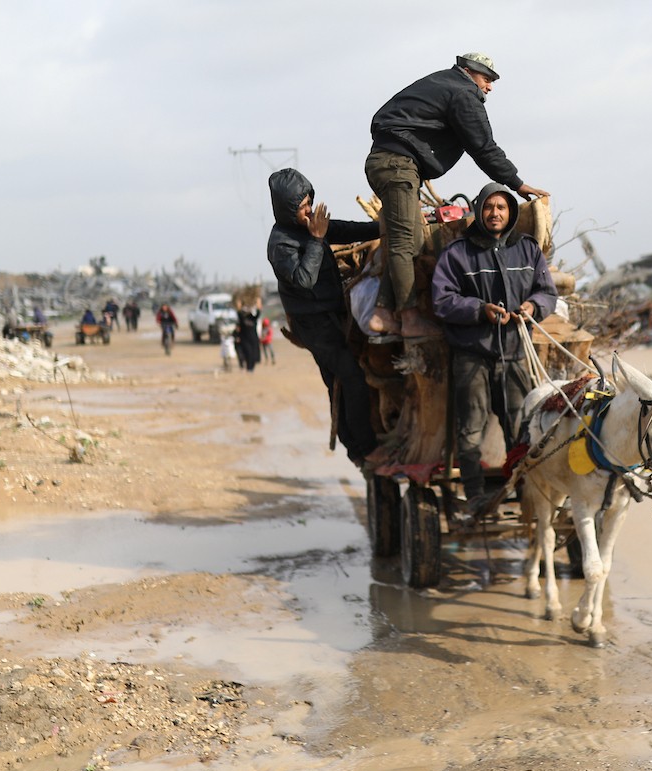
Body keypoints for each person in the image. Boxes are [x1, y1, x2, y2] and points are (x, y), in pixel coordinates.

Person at [366, 52, 549, 338]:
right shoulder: (464, 93)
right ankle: (409, 318)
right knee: (404, 242)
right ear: (468, 71)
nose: (489, 87)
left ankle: (382, 313)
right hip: (397, 165)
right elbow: (483, 147)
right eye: (486, 79)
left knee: (413, 241)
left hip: (394, 162)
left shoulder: (444, 83)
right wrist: (517, 184)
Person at [431, 182, 557, 514]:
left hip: (515, 352)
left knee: (520, 425)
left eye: (501, 207)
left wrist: (532, 306)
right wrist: (479, 310)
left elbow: (547, 292)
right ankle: (474, 494)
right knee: (471, 428)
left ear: (511, 212)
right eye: (488, 207)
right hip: (471, 353)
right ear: (479, 211)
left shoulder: (528, 249)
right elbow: (442, 300)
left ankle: (522, 488)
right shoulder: (458, 253)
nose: (495, 213)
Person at [266, 167, 380, 466]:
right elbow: (303, 279)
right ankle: (366, 449)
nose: (309, 210)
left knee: (337, 381)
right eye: (303, 206)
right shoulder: (280, 244)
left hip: (330, 315)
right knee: (351, 378)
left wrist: (382, 227)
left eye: (310, 202)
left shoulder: (309, 226)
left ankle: (354, 446)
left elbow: (345, 230)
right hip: (312, 323)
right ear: (288, 209)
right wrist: (317, 240)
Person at [234, 296, 262, 372]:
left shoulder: (253, 318)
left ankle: (250, 370)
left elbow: (259, 311)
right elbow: (239, 312)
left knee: (253, 355)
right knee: (247, 353)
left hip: (253, 340)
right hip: (245, 340)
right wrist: (239, 303)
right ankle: (248, 369)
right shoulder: (242, 318)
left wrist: (258, 302)